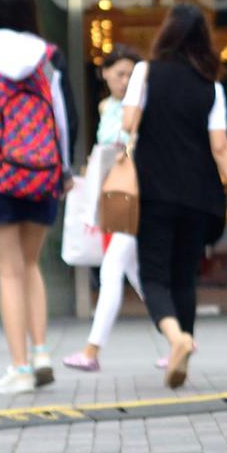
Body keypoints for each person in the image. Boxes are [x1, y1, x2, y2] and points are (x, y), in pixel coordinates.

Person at [0, 0, 80, 395]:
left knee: (8, 272)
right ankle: (42, 351)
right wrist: (63, 170)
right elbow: (66, 118)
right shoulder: (50, 56)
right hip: (44, 169)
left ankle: (20, 367)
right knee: (31, 265)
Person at [121, 8, 227, 390]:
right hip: (200, 195)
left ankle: (176, 339)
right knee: (184, 277)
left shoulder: (146, 73)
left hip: (154, 191)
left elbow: (128, 124)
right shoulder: (211, 86)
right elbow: (221, 148)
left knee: (154, 276)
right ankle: (185, 352)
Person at [66, 45, 147, 373]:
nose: (125, 80)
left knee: (113, 268)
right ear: (104, 74)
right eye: (120, 73)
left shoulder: (139, 107)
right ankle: (177, 336)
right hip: (113, 193)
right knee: (136, 272)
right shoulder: (105, 106)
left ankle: (91, 350)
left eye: (131, 74)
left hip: (131, 193)